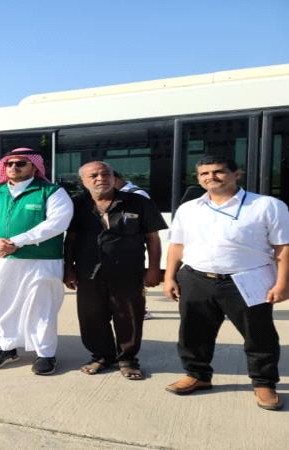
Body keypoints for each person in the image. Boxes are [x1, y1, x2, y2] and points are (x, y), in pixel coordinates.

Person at [164, 155, 288, 411]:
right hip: (197, 278)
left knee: (258, 335)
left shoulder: (266, 205)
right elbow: (176, 245)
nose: (211, 177)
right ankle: (197, 375)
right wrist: (169, 277)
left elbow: (283, 247)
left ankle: (264, 383)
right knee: (193, 332)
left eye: (218, 171)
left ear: (236, 174)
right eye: (204, 174)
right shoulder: (189, 208)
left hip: (248, 278)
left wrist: (283, 283)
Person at [0, 148, 73, 375]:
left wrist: (17, 241)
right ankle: (6, 348)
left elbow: (57, 223)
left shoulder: (52, 192)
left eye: (20, 163)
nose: (13, 167)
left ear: (34, 167)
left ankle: (45, 354)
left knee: (41, 307)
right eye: (9, 164)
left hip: (41, 261)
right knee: (2, 305)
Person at [64, 162, 166, 380]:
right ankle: (101, 357)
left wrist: (154, 269)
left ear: (113, 177)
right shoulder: (76, 205)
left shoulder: (138, 202)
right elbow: (70, 240)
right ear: (83, 181)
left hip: (128, 272)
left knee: (128, 317)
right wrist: (68, 270)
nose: (100, 178)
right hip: (88, 273)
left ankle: (128, 360)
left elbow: (153, 238)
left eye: (105, 174)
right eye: (93, 175)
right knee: (91, 317)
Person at [113, 171, 157, 320]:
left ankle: (141, 309)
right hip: (118, 245)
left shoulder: (137, 194)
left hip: (132, 244)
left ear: (116, 179)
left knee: (134, 280)